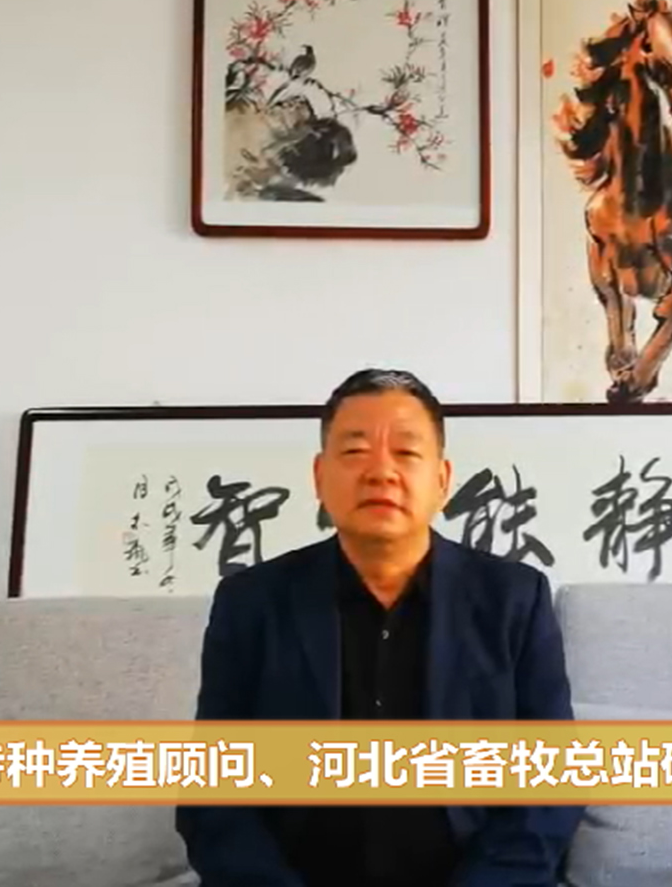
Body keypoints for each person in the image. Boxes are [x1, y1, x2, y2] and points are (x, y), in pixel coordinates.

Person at [175, 368, 584, 887]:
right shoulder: (252, 602)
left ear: (442, 480)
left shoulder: (513, 599)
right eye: (355, 451)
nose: (380, 472)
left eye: (406, 452)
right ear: (320, 477)